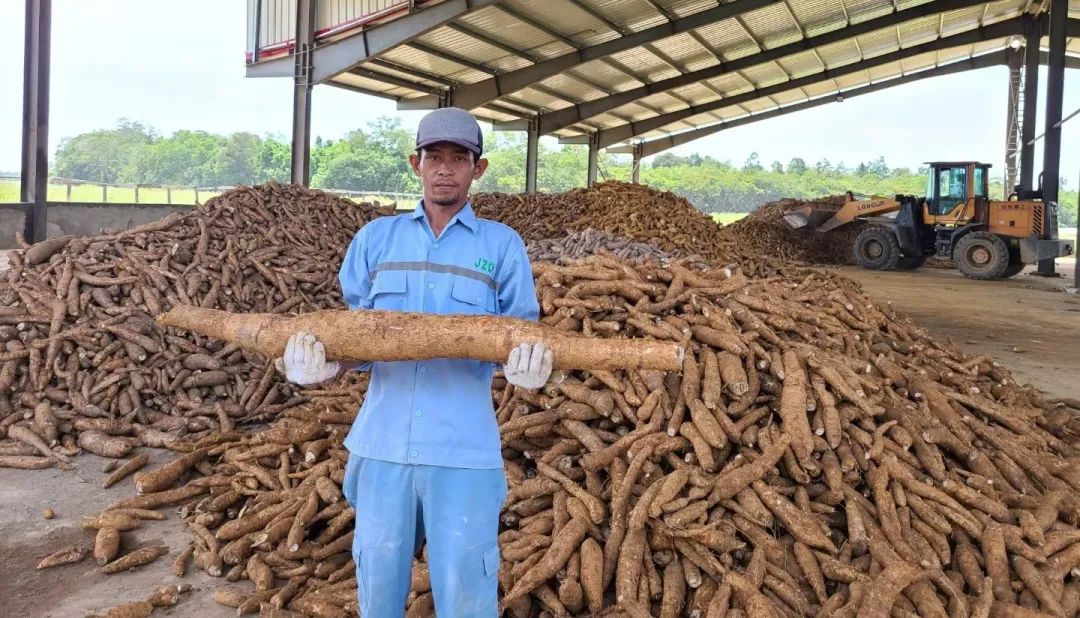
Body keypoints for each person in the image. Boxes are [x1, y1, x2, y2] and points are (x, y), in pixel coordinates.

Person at [278, 107, 553, 617]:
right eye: (434, 157)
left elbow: (523, 337)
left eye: (458, 157)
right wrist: (322, 365)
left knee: (467, 593)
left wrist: (527, 371)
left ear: (479, 168)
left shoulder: (502, 245)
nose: (444, 167)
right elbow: (354, 343)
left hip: (463, 450)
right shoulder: (375, 241)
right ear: (415, 163)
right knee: (378, 592)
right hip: (382, 446)